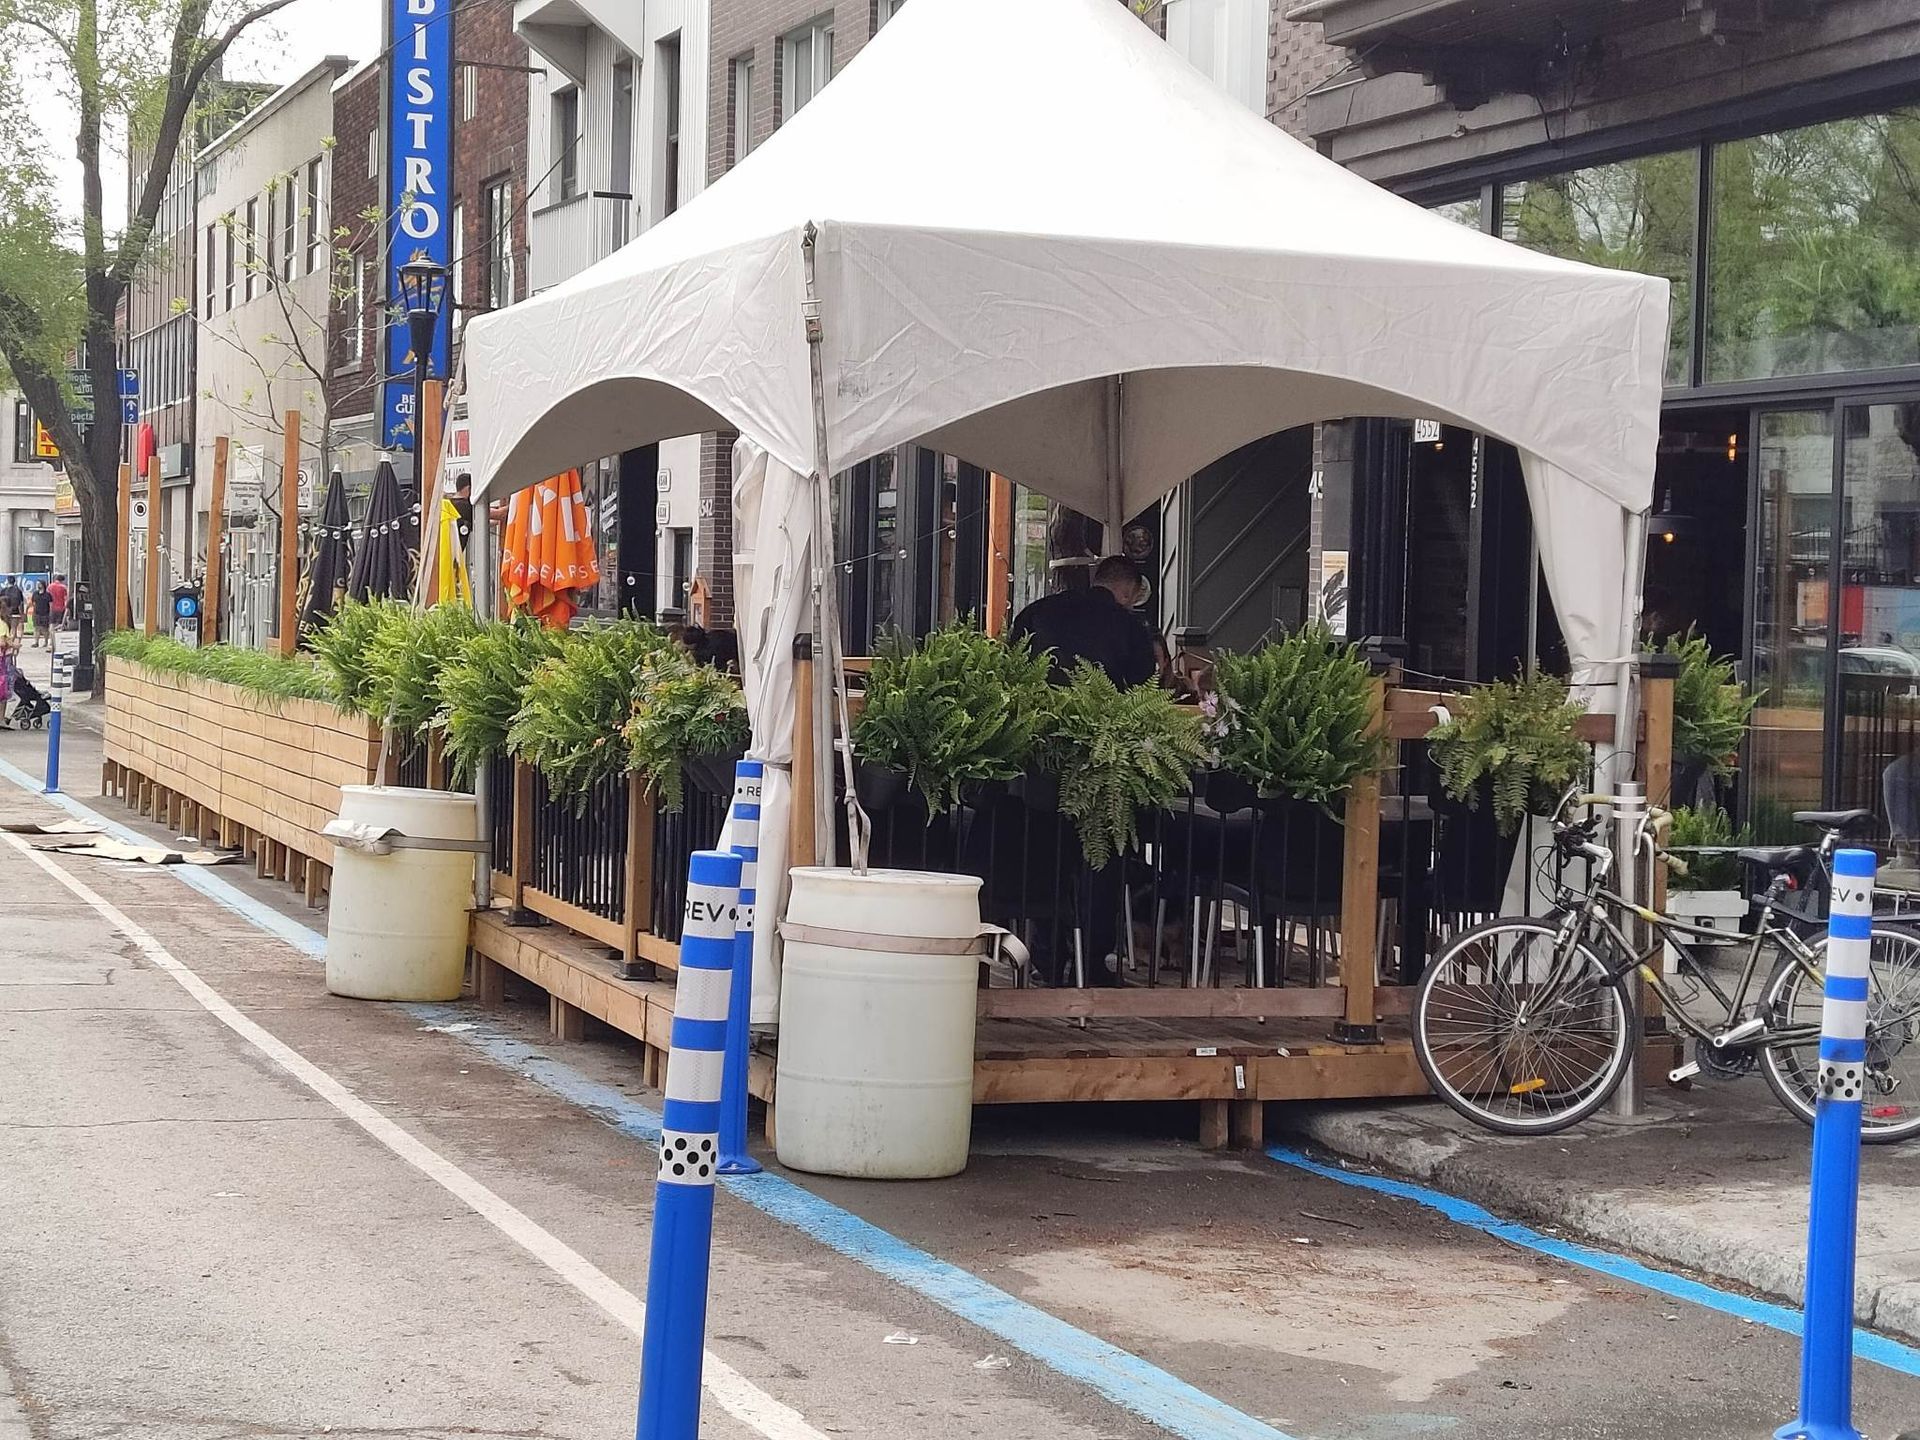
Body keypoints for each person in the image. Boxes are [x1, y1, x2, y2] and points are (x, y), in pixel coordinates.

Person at [1010, 555, 1158, 688]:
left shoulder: (1037, 610)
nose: (1130, 607)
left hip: (1036, 710)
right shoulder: (1131, 627)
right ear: (1127, 593)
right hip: (1102, 715)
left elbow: (1012, 663)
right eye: (1133, 600)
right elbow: (1142, 689)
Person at [0, 577, 24, 645]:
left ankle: (7, 642)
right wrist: (21, 614)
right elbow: (21, 603)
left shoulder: (3, 590)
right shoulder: (18, 591)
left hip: (4, 613)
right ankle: (11, 643)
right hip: (15, 612)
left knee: (6, 628)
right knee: (13, 629)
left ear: (7, 582)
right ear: (14, 582)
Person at [30, 582, 51, 649]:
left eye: (40, 584)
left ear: (43, 585)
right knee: (36, 628)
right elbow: (33, 602)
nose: (38, 585)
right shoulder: (35, 593)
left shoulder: (47, 594)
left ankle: (46, 642)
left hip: (45, 613)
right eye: (37, 584)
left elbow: (50, 604)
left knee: (45, 629)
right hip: (36, 613)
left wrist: (50, 613)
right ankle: (36, 642)